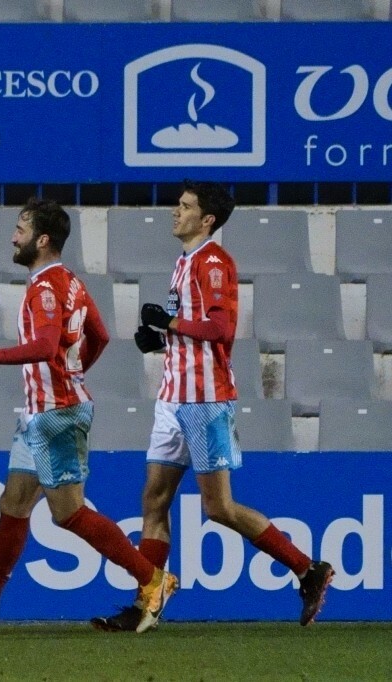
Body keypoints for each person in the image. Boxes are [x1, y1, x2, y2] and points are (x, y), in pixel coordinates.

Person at [91, 181, 334, 631]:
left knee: (219, 508)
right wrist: (159, 338)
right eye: (177, 204)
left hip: (205, 401)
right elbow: (191, 328)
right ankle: (147, 603)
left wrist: (170, 322)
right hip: (172, 397)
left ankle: (307, 569)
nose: (174, 211)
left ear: (207, 220)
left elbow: (221, 329)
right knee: (154, 500)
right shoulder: (183, 263)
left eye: (184, 207)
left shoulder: (215, 263)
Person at [0, 198, 176, 635]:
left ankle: (152, 579)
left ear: (42, 240)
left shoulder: (44, 287)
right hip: (42, 412)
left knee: (69, 514)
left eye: (20, 229)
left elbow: (45, 347)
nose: (13, 236)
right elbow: (98, 335)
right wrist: (74, 372)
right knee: (14, 503)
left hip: (57, 413)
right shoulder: (71, 283)